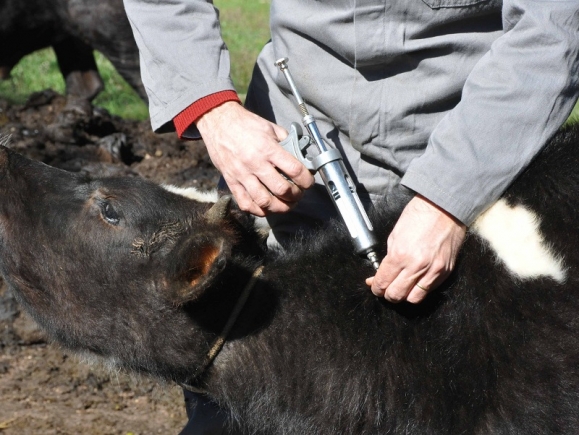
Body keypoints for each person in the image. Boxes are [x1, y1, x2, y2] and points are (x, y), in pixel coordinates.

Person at [122, 0, 579, 433]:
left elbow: (553, 28)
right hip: (282, 166)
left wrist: (451, 197)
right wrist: (214, 111)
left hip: (470, 160)